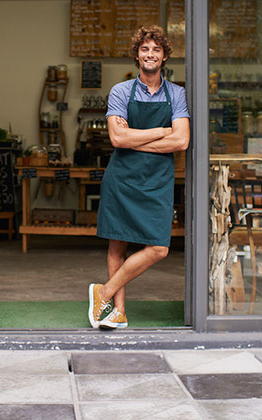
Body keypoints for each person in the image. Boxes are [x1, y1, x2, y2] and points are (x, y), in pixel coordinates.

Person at [89, 26, 190, 329]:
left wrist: (136, 137)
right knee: (117, 245)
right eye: (145, 49)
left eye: (156, 50)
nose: (150, 55)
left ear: (164, 56)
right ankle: (117, 312)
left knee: (158, 247)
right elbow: (117, 139)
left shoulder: (177, 94)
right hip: (123, 179)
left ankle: (102, 292)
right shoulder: (121, 91)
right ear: (137, 55)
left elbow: (182, 141)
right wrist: (162, 131)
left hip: (157, 181)